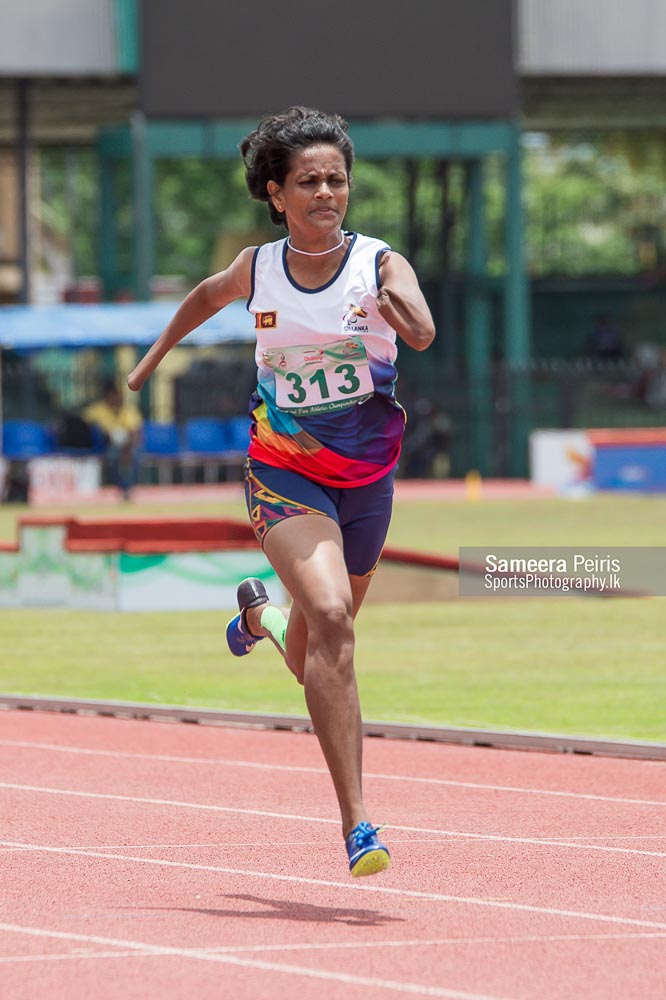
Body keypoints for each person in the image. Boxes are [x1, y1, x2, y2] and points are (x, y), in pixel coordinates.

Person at [127, 107, 435, 877]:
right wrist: (153, 357)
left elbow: (423, 329)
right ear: (276, 193)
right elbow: (204, 296)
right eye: (309, 181)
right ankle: (359, 824)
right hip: (284, 474)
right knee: (330, 616)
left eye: (337, 179)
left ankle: (258, 617)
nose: (326, 192)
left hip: (366, 484)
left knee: (311, 658)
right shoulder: (258, 269)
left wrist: (402, 312)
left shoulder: (378, 263)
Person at [83, 379, 143, 499]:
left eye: (116, 396)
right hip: (108, 445)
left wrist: (128, 447)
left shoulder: (128, 410)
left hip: (129, 445)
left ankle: (128, 489)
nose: (114, 399)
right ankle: (120, 487)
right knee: (113, 456)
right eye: (111, 396)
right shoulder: (98, 409)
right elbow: (83, 422)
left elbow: (135, 432)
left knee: (136, 456)